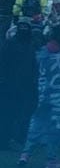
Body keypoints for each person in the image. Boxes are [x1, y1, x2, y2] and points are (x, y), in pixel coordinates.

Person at [19, 25, 60, 168]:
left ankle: (25, 154)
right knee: (55, 127)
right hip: (57, 99)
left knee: (36, 125)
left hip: (42, 98)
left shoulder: (39, 55)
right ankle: (50, 159)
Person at [0, 19, 37, 152]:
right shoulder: (10, 44)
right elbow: (3, 63)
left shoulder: (29, 45)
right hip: (10, 86)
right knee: (7, 115)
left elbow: (33, 66)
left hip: (24, 86)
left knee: (21, 114)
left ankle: (17, 138)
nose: (23, 30)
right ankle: (4, 140)